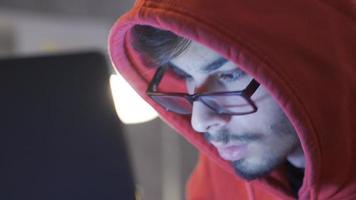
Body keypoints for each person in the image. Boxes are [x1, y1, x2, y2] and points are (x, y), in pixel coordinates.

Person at [108, 1, 356, 199]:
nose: (199, 120)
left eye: (230, 74)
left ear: (311, 59)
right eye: (185, 76)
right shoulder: (218, 178)